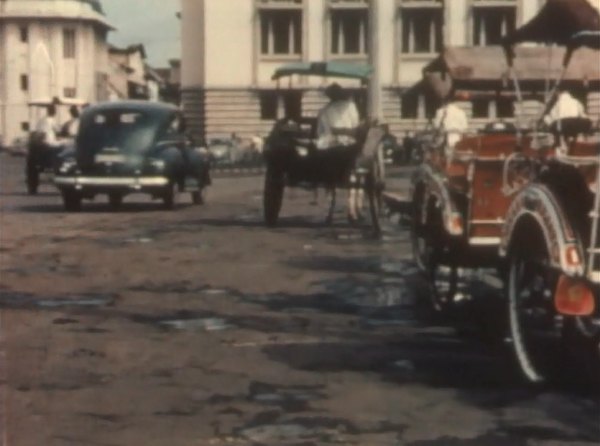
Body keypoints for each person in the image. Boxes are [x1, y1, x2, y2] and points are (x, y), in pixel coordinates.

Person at [316, 82, 360, 150]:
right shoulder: (351, 106)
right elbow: (356, 125)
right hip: (350, 145)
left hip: (330, 146)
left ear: (329, 96)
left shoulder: (323, 111)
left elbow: (320, 132)